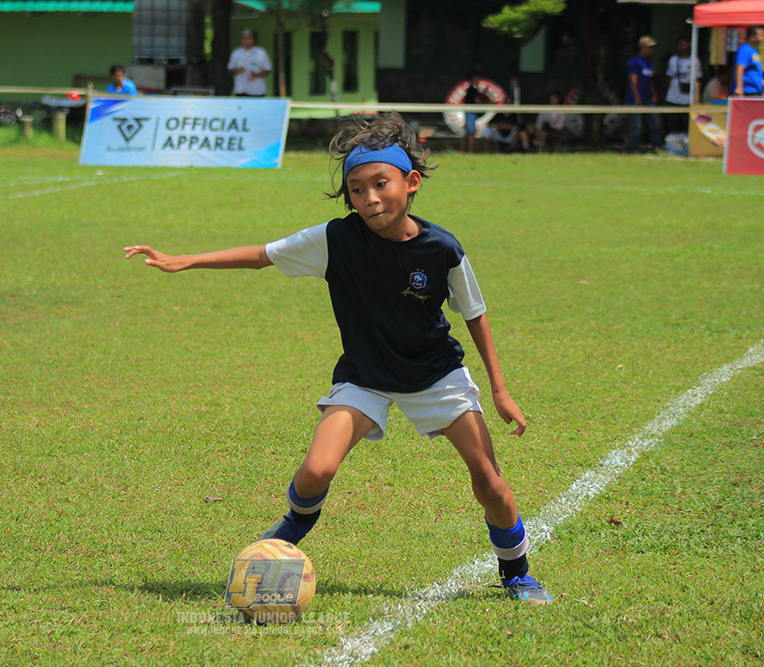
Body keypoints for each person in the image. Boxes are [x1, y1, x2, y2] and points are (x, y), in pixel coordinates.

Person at [123, 112, 553, 605]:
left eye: (380, 184)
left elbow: (475, 314)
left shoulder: (442, 249)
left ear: (410, 183)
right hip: (366, 376)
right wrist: (187, 260)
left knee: (490, 483)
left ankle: (516, 572)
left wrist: (498, 389)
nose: (370, 198)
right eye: (356, 189)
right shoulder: (336, 240)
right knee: (315, 471)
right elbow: (263, 253)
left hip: (435, 375)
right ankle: (286, 537)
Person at [626, 35, 663, 153]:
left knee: (654, 123)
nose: (651, 50)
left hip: (648, 98)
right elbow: (633, 80)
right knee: (636, 126)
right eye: (649, 47)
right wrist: (637, 98)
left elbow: (650, 79)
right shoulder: (634, 62)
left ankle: (658, 147)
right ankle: (636, 149)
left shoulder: (649, 62)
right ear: (642, 47)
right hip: (636, 99)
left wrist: (654, 93)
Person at [665, 36, 702, 134]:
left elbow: (698, 80)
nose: (681, 47)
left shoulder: (695, 61)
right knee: (673, 123)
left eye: (683, 45)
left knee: (687, 124)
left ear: (689, 45)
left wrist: (697, 98)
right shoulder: (673, 60)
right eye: (679, 45)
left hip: (688, 98)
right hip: (673, 97)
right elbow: (669, 77)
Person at [228, 29, 272, 97]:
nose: (246, 41)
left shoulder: (261, 53)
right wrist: (237, 70)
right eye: (244, 39)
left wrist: (256, 74)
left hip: (257, 91)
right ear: (241, 41)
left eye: (249, 38)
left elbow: (268, 70)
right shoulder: (236, 53)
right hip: (241, 90)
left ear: (253, 40)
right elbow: (230, 69)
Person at [732, 26, 763, 97]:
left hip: (756, 90)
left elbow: (754, 71)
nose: (762, 39)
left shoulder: (753, 51)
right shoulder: (744, 50)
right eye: (760, 36)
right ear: (753, 36)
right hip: (748, 91)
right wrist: (739, 87)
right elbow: (740, 68)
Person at [461, 73, 483, 153]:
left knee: (467, 132)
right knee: (471, 133)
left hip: (468, 111)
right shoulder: (472, 89)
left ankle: (462, 151)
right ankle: (471, 152)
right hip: (471, 111)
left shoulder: (470, 89)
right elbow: (476, 101)